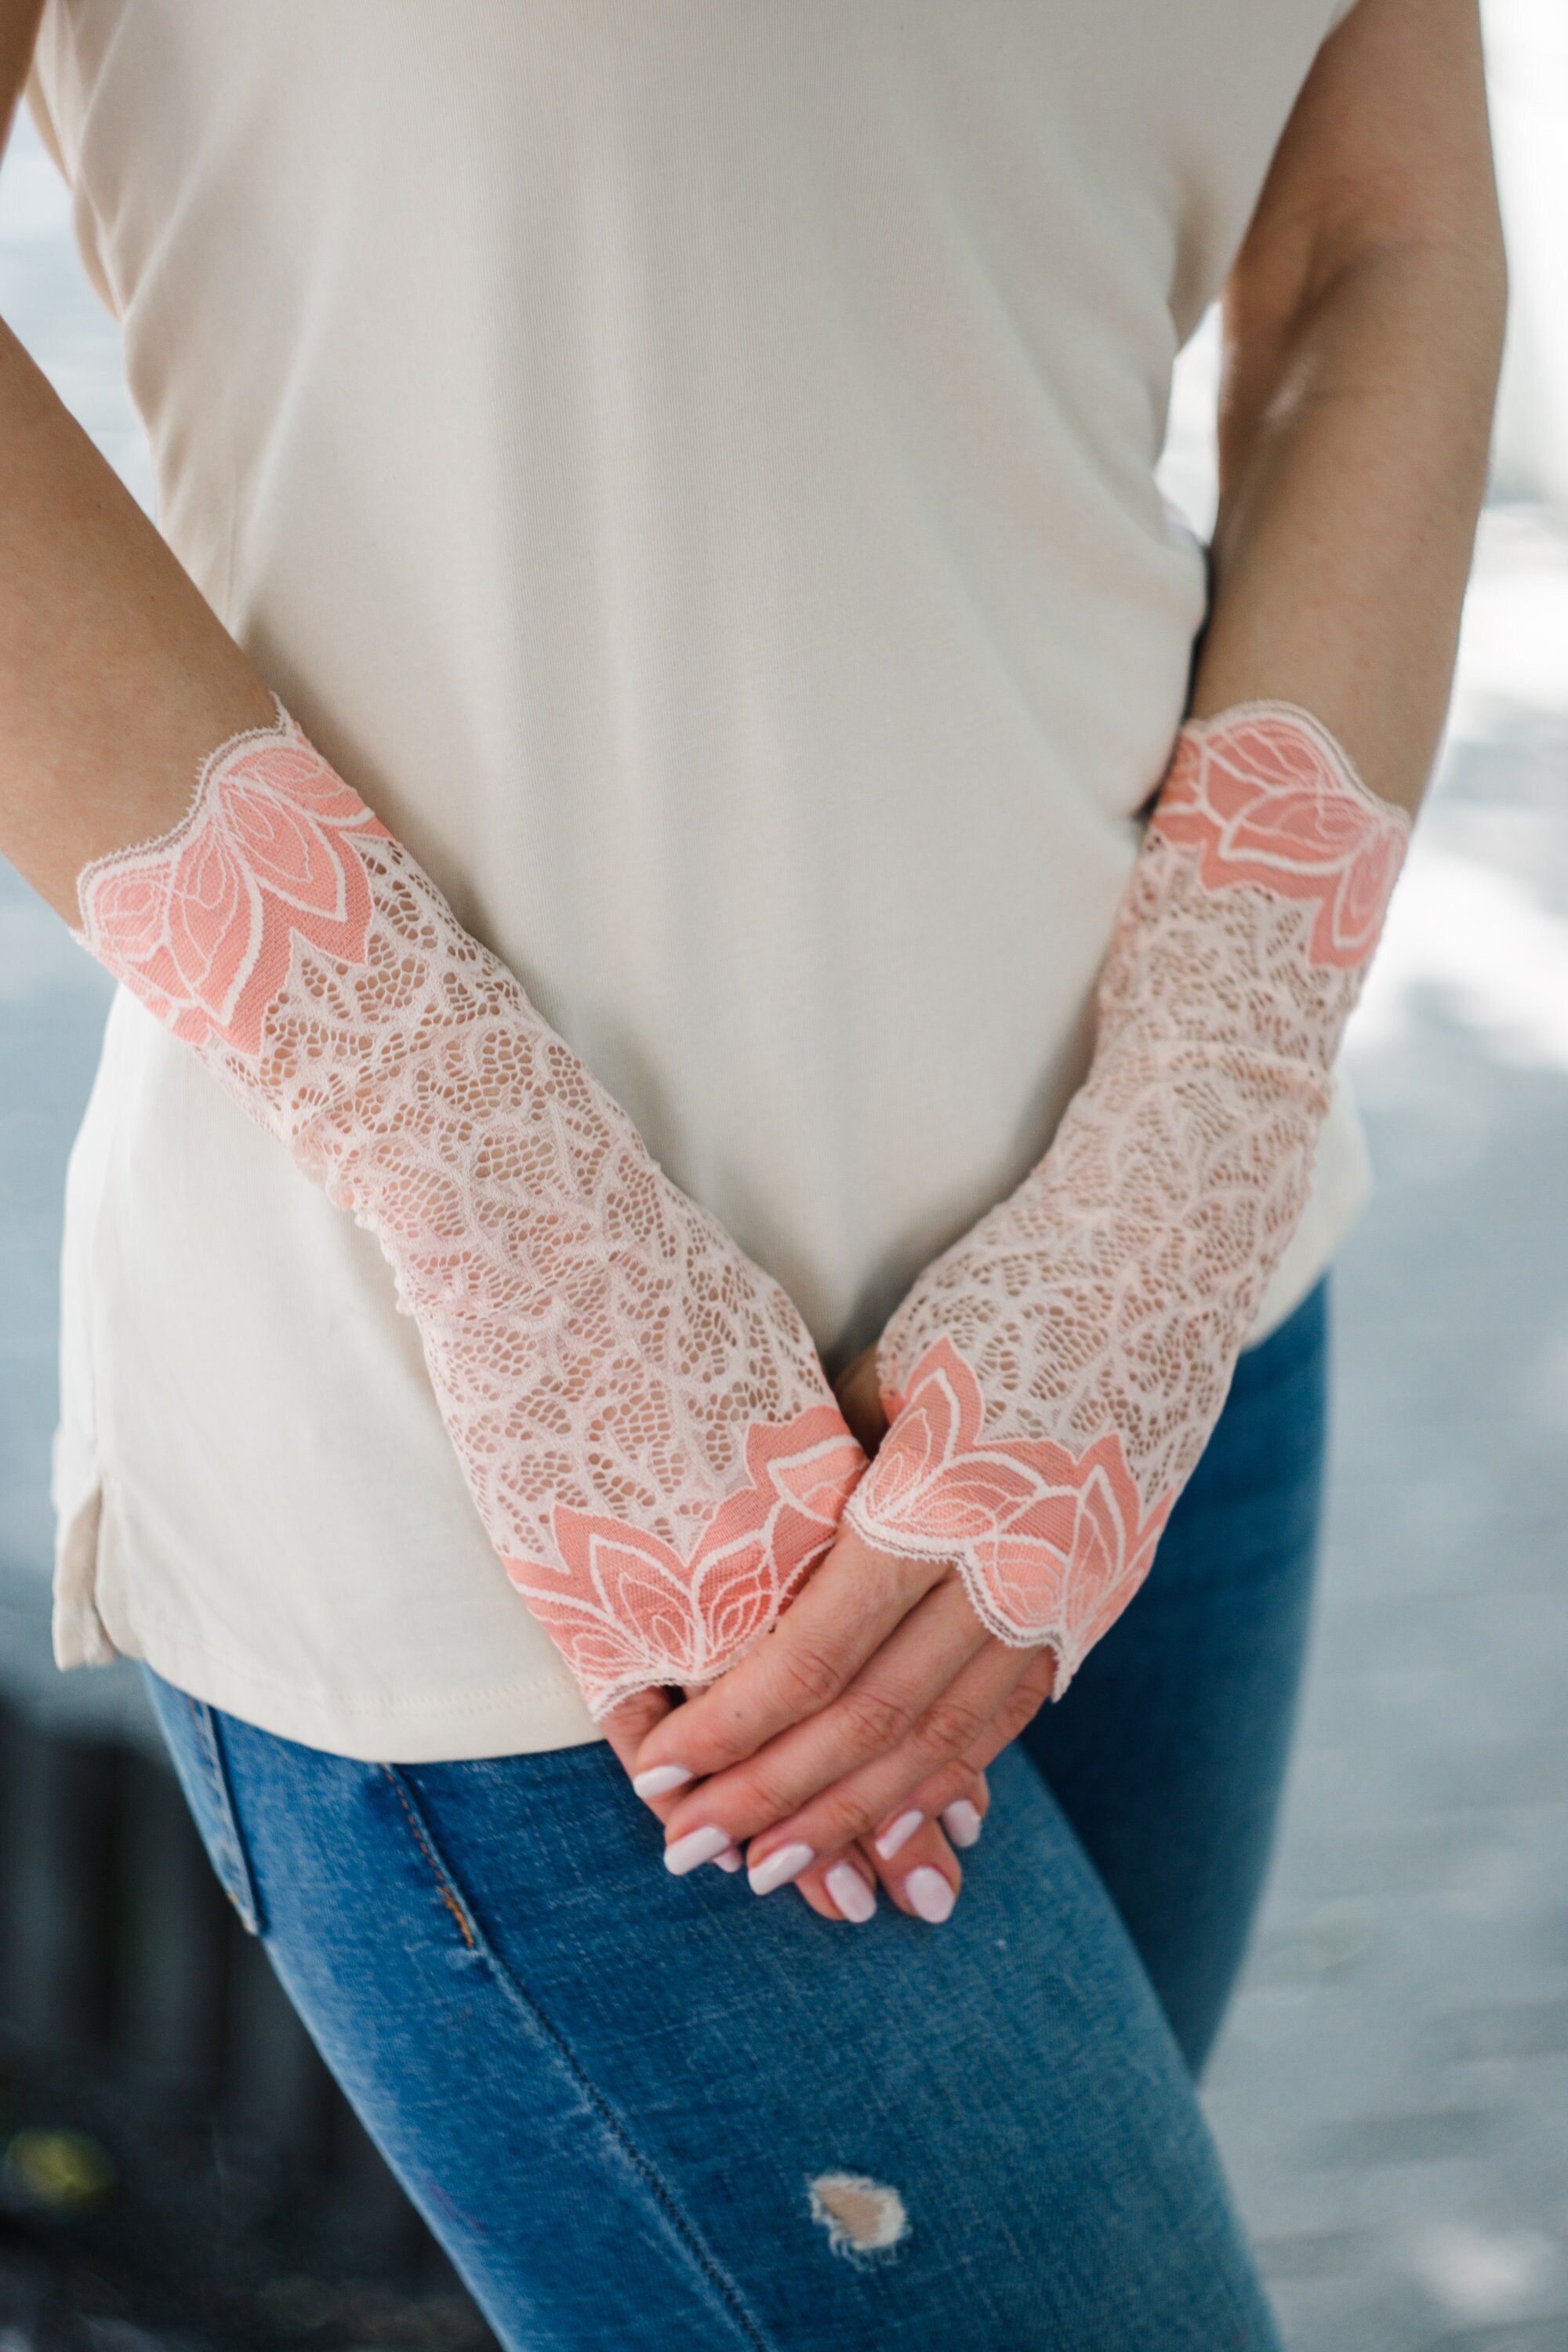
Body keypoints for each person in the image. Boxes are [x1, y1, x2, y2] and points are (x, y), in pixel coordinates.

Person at [0, 0, 1503, 2343]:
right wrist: (498, 1194)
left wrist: (1181, 1174)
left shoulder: (1173, 1259)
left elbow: (1377, 255)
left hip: (1165, 1362)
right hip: (548, 1521)